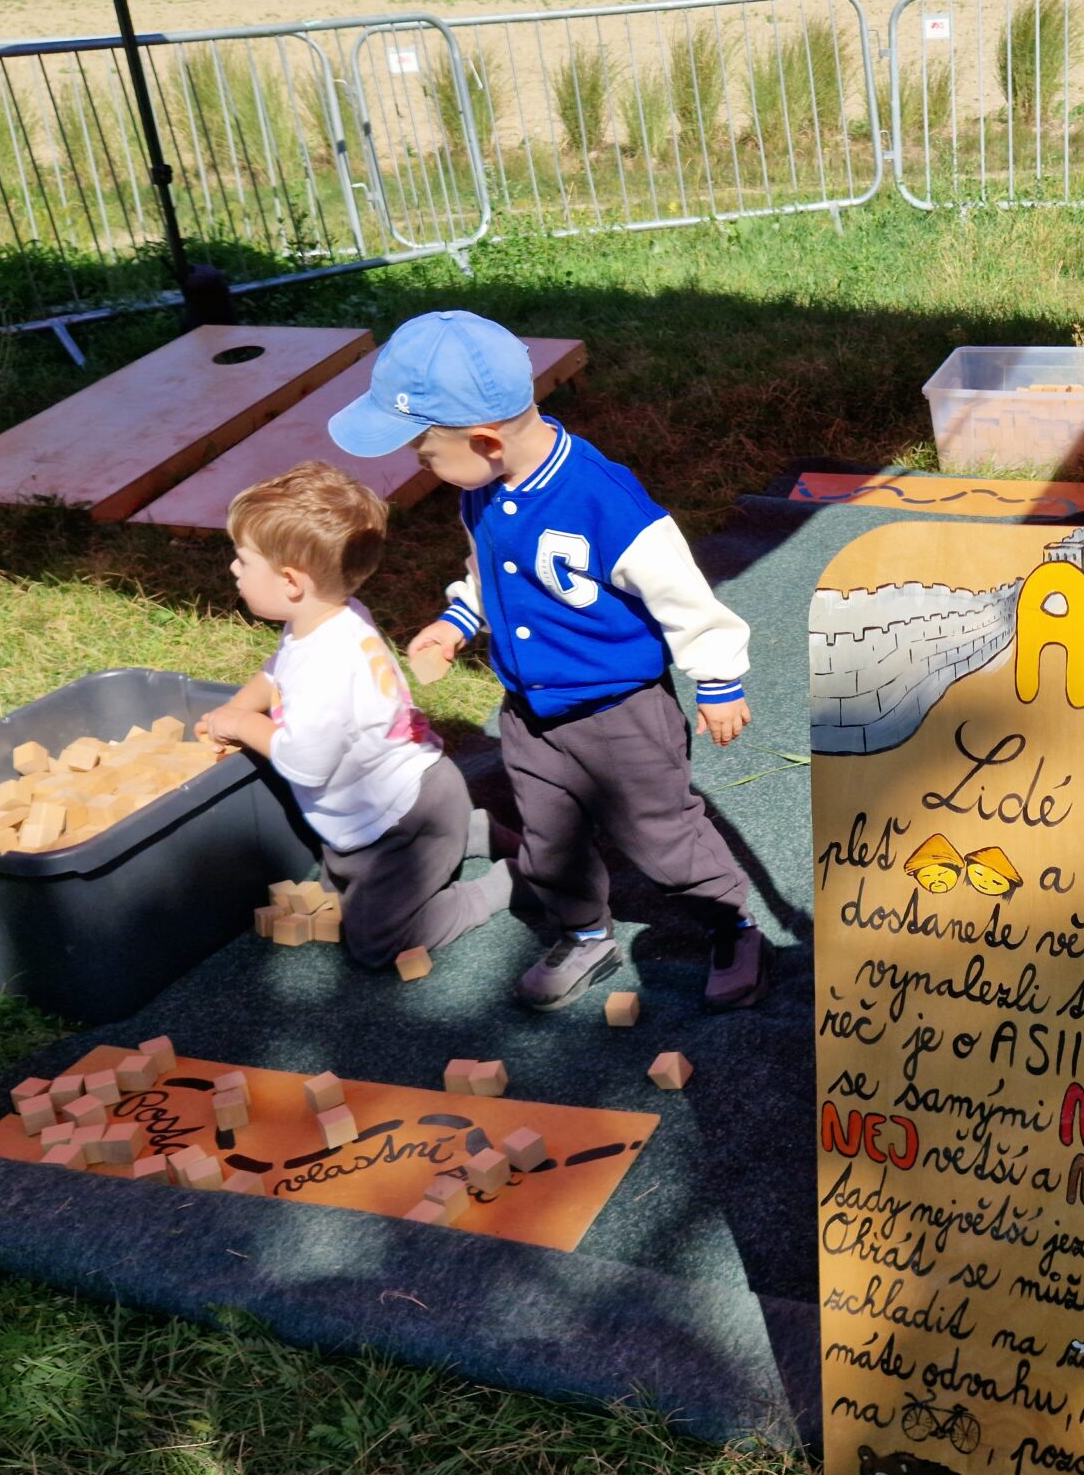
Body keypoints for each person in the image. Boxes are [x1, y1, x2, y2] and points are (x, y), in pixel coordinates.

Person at [327, 309, 768, 1012]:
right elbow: (489, 573)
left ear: (485, 441)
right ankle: (585, 933)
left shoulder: (605, 501)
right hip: (531, 710)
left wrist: (717, 679)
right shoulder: (483, 488)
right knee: (548, 836)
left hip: (621, 712)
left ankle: (730, 925)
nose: (420, 466)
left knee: (662, 836)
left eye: (424, 453)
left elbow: (681, 594)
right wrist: (457, 620)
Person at [195, 460, 510, 970]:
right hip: (407, 799)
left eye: (243, 560)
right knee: (340, 885)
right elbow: (278, 671)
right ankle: (463, 832)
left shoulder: (324, 667)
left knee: (375, 943)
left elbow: (305, 764)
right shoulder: (327, 618)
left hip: (400, 818)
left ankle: (499, 887)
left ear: (291, 582)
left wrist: (241, 724)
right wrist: (235, 706)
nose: (233, 569)